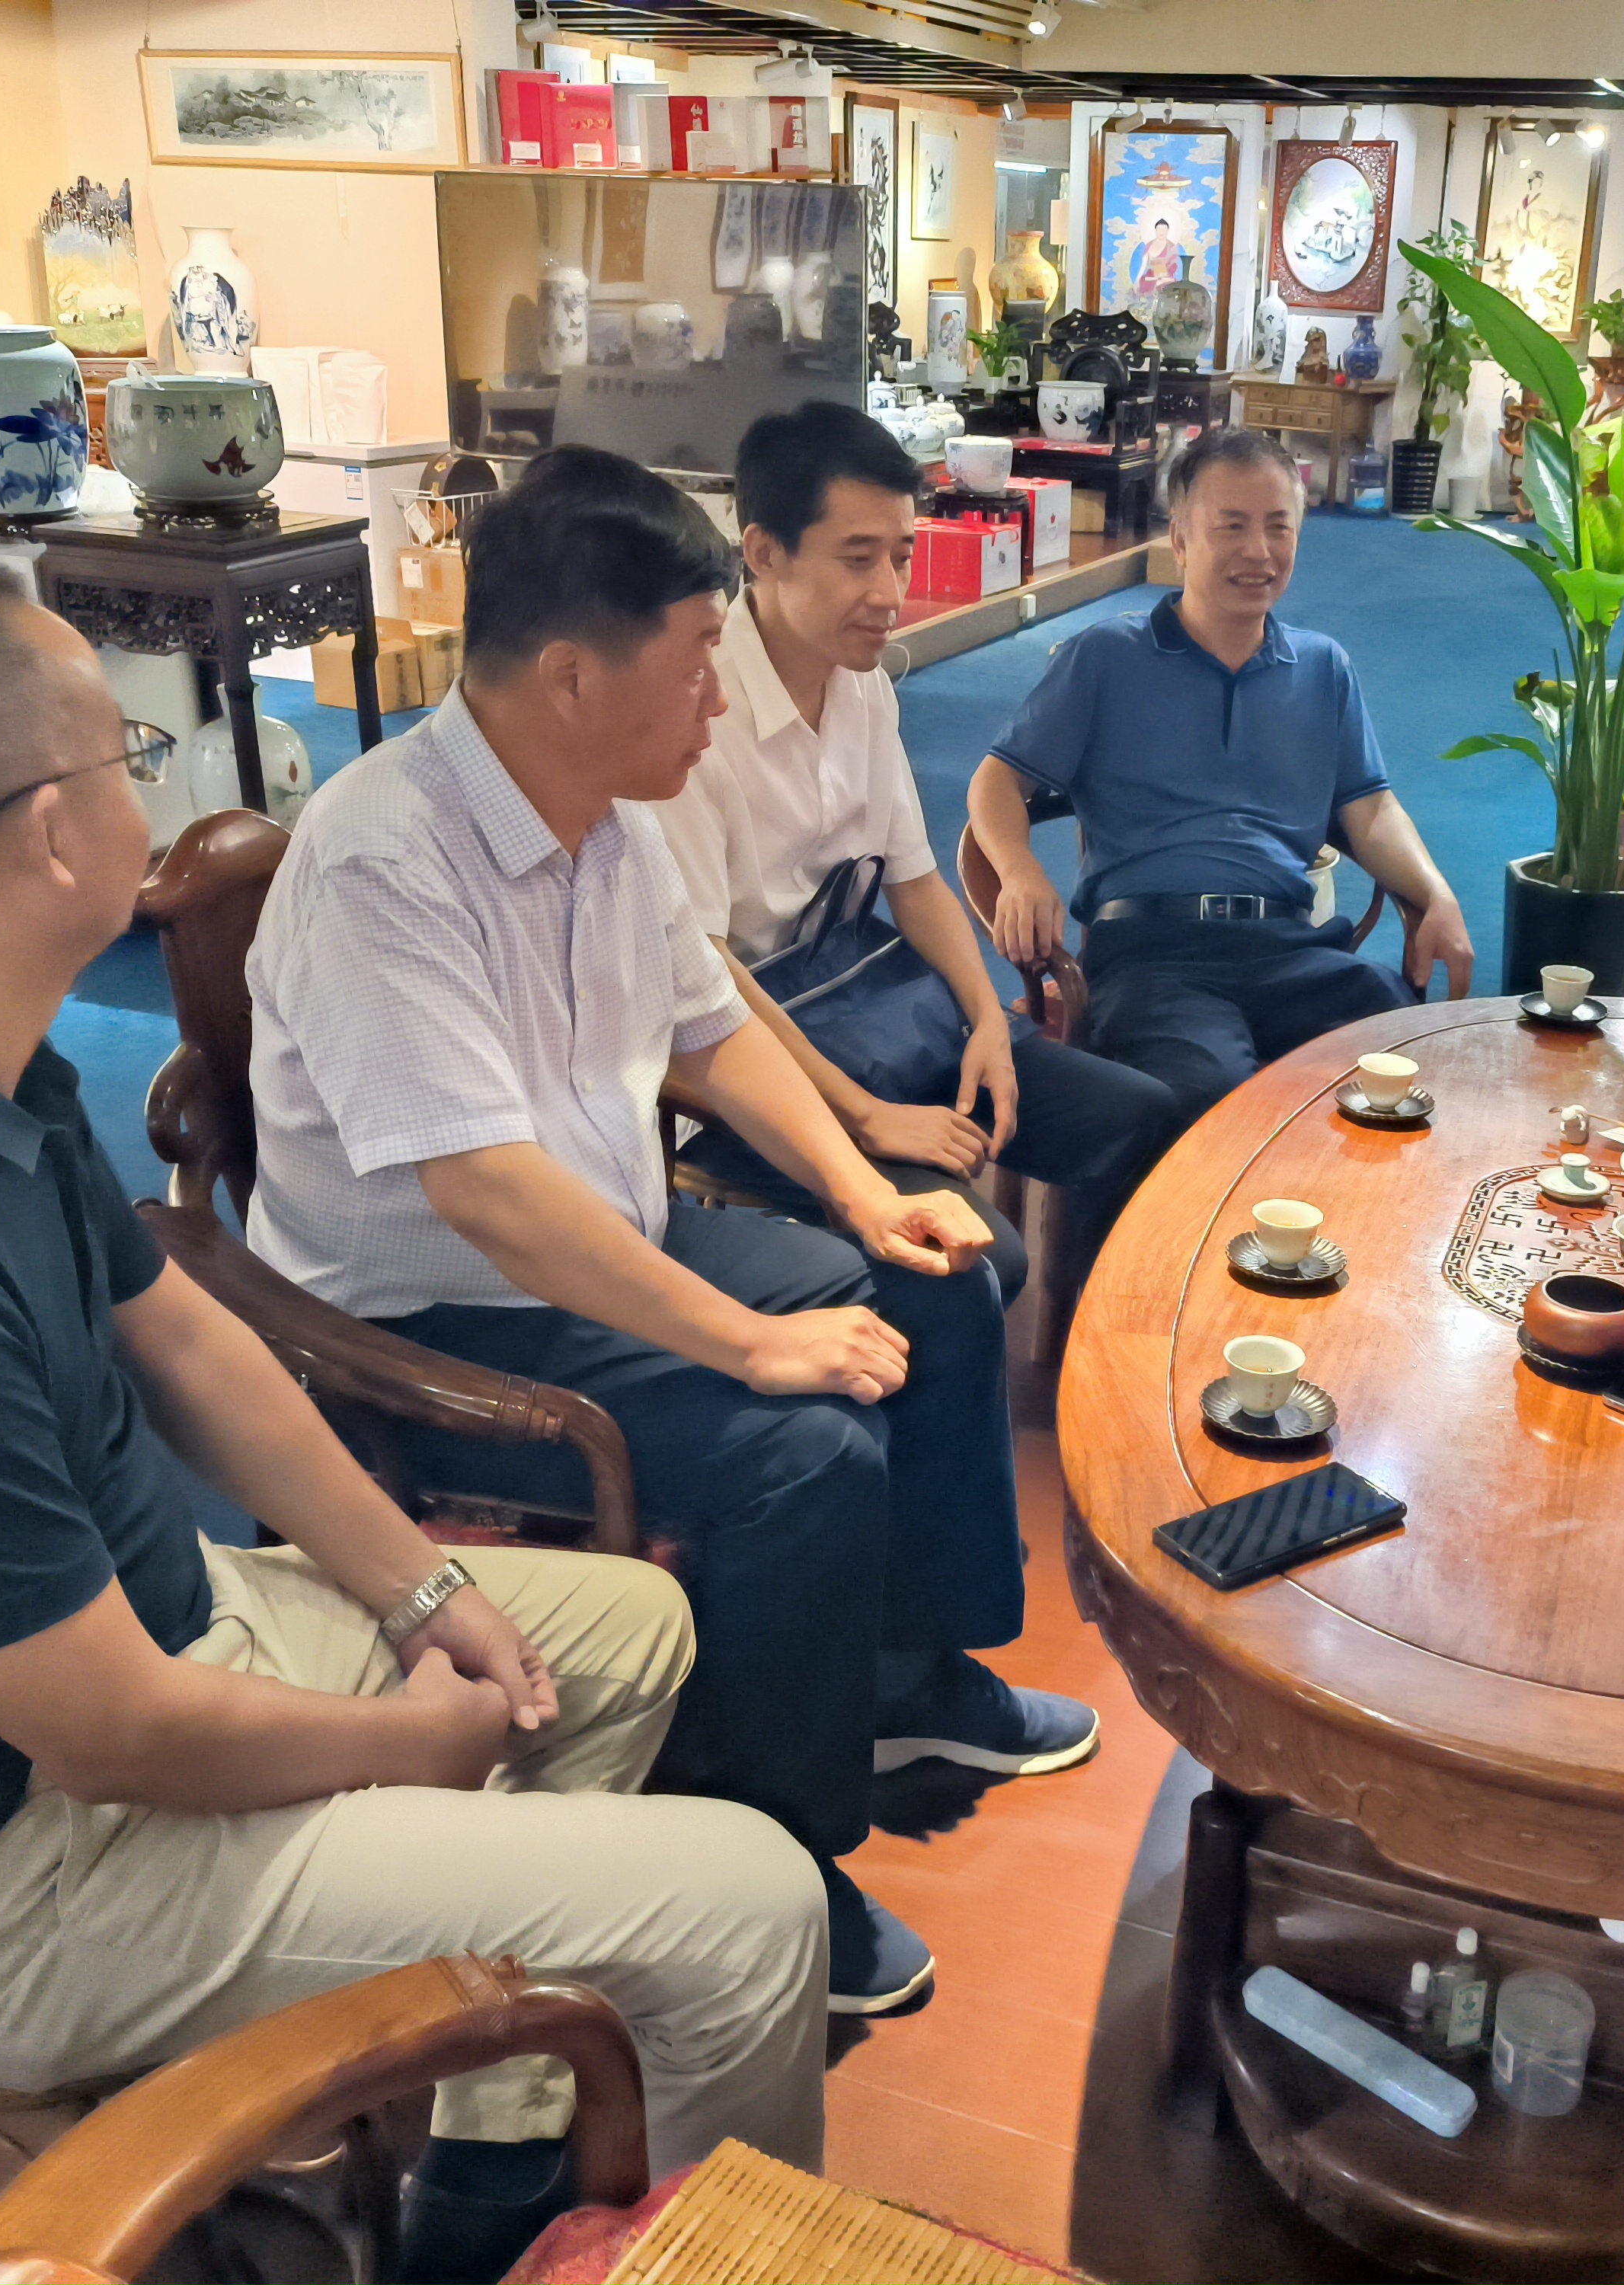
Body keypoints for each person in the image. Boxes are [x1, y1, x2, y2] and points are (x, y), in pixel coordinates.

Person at [0, 550, 825, 2285]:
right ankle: (678, 2236)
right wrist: (410, 1744)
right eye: (126, 756)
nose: (146, 796)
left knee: (622, 1633)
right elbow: (115, 1737)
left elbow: (184, 1336)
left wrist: (423, 1592)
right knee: (751, 1905)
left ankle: (492, 2182)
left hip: (149, 1654)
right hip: (6, 1887)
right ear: (48, 835)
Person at [243, 446, 1098, 2021]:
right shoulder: (379, 859)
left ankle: (906, 1679)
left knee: (942, 1274)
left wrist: (865, 1191)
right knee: (803, 1452)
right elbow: (489, 1197)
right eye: (698, 656)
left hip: (604, 1246)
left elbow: (712, 1034)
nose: (719, 695)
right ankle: (775, 1866)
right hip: (435, 1324)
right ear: (573, 677)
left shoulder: (610, 813)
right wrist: (754, 1343)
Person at [651, 399, 1178, 1296]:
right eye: (857, 558)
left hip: (879, 1019)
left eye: (900, 555)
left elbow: (917, 881)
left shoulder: (862, 685)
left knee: (1145, 1119)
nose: (892, 593)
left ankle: (1092, 1340)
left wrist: (987, 1024)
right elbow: (706, 973)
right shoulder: (696, 714)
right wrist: (864, 1116)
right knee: (975, 1263)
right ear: (764, 552)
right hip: (757, 1074)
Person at [967, 424, 1475, 1120]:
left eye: (1278, 527)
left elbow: (1371, 810)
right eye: (1232, 526)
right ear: (1180, 538)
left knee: (1402, 1061)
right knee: (1209, 1098)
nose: (1258, 551)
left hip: (1290, 947)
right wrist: (1021, 871)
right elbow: (997, 781)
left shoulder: (1323, 668)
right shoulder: (1107, 656)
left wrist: (1436, 893)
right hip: (1152, 953)